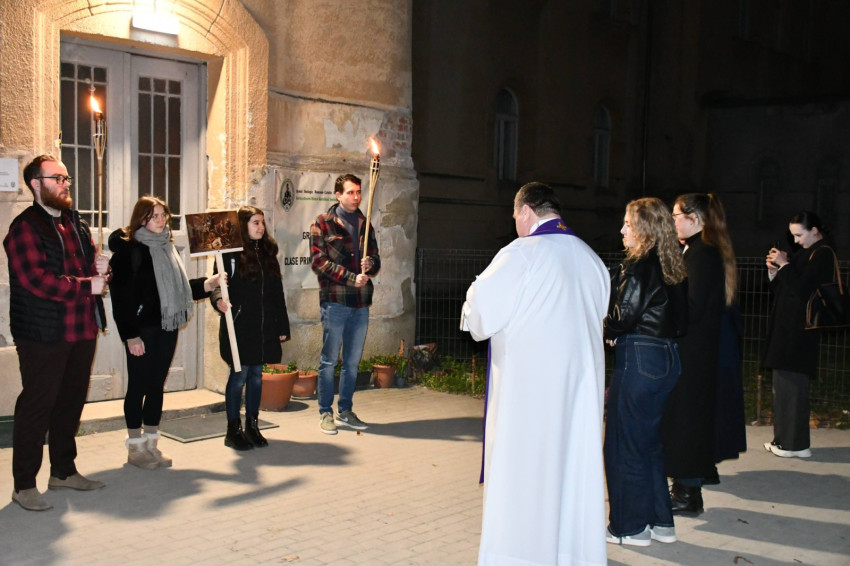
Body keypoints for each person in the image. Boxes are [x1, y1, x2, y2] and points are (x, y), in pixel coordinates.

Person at [460, 182, 610, 565]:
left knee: (526, 478)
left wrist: (470, 305)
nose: (515, 223)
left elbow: (481, 313)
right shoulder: (591, 259)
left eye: (515, 215)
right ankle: (570, 553)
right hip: (577, 395)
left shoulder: (521, 253)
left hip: (530, 398)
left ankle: (519, 555)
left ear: (526, 211)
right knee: (570, 473)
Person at [4, 155, 109, 511]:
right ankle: (24, 486)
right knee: (37, 407)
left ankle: (63, 471)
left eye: (67, 179)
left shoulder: (75, 223)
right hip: (42, 333)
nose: (65, 185)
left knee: (71, 403)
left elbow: (91, 269)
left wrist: (102, 269)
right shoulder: (24, 228)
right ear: (36, 184)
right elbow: (37, 281)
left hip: (81, 327)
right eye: (58, 179)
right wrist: (88, 285)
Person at [109, 196, 222, 469]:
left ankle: (151, 444)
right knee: (138, 385)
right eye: (154, 216)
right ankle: (135, 448)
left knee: (156, 385)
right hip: (142, 330)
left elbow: (178, 289)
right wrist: (131, 335)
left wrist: (208, 285)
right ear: (141, 219)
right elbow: (121, 298)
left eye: (163, 215)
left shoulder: (168, 247)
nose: (160, 220)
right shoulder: (128, 251)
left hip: (166, 327)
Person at [604, 197, 688, 547]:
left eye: (627, 223)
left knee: (624, 444)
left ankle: (629, 526)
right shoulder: (671, 264)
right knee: (648, 444)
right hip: (665, 356)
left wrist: (607, 328)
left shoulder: (639, 265)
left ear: (643, 228)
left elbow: (623, 316)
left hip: (639, 358)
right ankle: (659, 521)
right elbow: (679, 320)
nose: (622, 230)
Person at [212, 206, 291, 450]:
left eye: (262, 222)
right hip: (239, 324)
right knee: (239, 375)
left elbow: (277, 292)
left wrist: (281, 325)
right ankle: (233, 430)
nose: (261, 227)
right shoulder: (229, 253)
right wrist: (218, 300)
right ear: (243, 225)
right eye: (255, 222)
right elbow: (216, 286)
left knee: (256, 376)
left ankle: (252, 426)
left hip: (263, 326)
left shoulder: (267, 252)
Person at [310, 173, 380, 435]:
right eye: (350, 192)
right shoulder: (322, 223)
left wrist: (370, 264)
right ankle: (325, 412)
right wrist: (352, 278)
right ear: (338, 195)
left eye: (358, 192)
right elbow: (319, 263)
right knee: (329, 361)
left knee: (352, 362)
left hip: (360, 303)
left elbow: (376, 258)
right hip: (336, 301)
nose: (356, 197)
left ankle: (346, 410)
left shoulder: (365, 223)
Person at [763, 211, 835, 458]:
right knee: (783, 386)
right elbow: (784, 287)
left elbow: (802, 288)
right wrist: (775, 270)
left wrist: (785, 264)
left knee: (792, 387)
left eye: (799, 235)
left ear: (814, 230)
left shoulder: (823, 253)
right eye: (792, 235)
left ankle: (795, 444)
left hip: (799, 331)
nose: (795, 241)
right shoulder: (808, 252)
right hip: (789, 329)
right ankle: (784, 440)